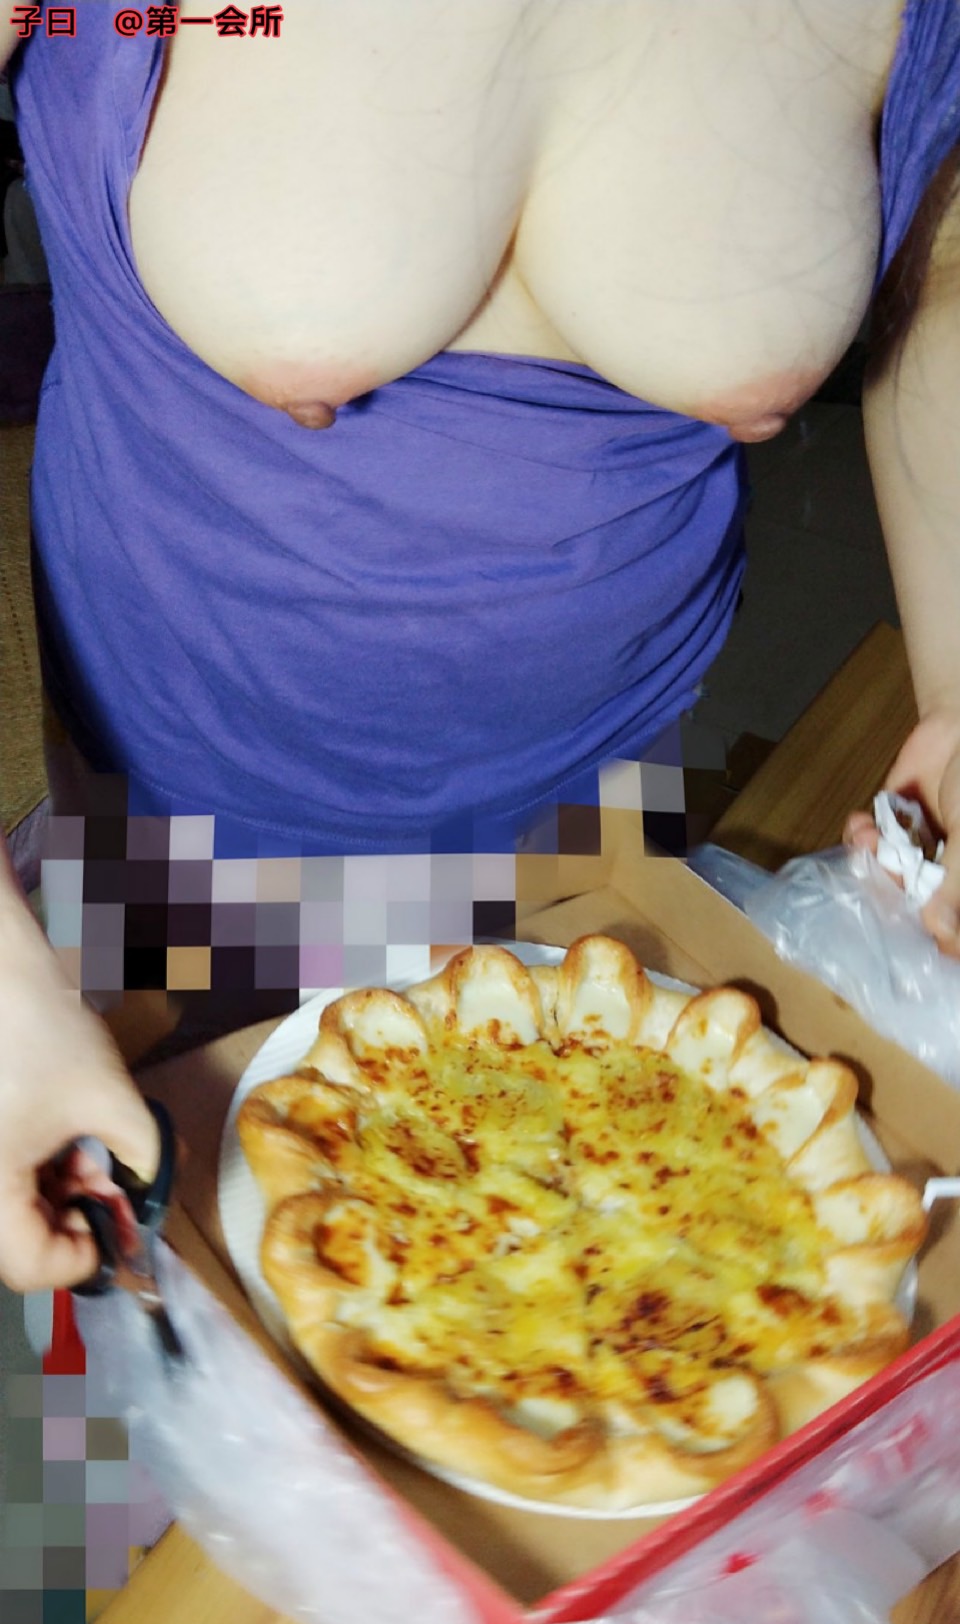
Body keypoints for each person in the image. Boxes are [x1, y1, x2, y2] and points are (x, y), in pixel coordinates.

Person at [1, 0, 959, 1294]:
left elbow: (939, 256)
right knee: (150, 1277)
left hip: (595, 809)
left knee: (539, 1253)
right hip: (170, 822)